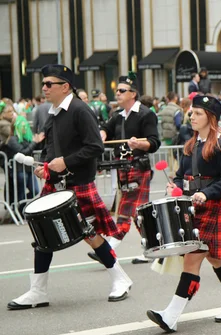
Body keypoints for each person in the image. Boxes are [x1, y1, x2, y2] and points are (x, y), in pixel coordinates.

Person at [7, 64, 132, 310]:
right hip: (56, 184)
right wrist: (46, 167)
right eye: (43, 84)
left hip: (78, 183)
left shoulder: (79, 110)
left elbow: (95, 146)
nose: (44, 88)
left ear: (65, 86)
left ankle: (121, 279)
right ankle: (38, 291)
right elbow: (52, 148)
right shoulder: (54, 111)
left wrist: (65, 162)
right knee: (42, 235)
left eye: (49, 84)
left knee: (90, 235)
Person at [148, 95, 221, 332]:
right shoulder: (192, 144)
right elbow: (181, 175)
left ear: (211, 118)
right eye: (191, 113)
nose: (191, 116)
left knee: (193, 258)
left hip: (213, 205)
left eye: (197, 113)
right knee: (215, 259)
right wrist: (176, 187)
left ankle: (170, 316)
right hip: (193, 207)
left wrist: (207, 193)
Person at [86, 72, 161, 264]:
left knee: (127, 210)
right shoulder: (117, 116)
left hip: (138, 166)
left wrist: (139, 145)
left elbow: (154, 143)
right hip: (122, 168)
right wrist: (102, 133)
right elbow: (105, 127)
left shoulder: (146, 114)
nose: (117, 93)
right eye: (116, 90)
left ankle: (109, 248)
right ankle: (153, 249)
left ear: (133, 94)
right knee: (137, 214)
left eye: (122, 90)